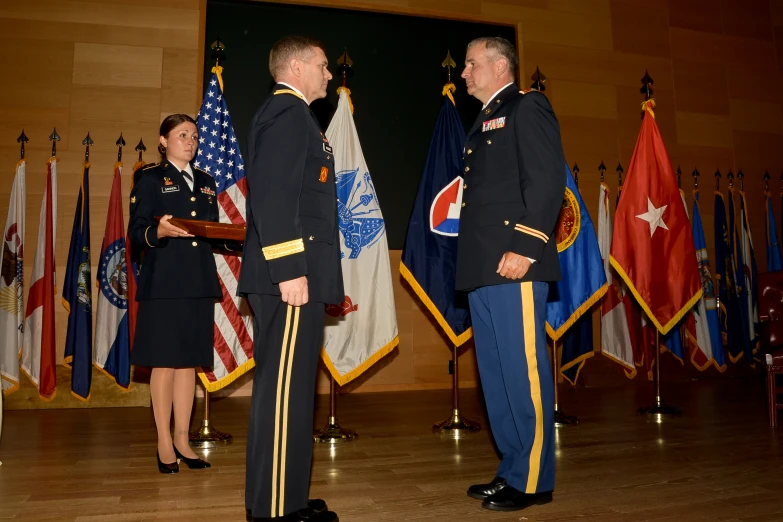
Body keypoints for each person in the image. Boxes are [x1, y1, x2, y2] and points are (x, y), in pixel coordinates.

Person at [456, 37, 566, 511]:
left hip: (514, 261)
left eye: (471, 64)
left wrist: (525, 246)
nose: (464, 72)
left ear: (501, 66)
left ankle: (535, 478)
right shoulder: (482, 120)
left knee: (524, 373)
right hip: (484, 264)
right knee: (496, 376)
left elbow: (546, 180)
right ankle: (512, 468)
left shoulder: (528, 107)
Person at [238, 36, 343, 522]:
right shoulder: (286, 114)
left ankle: (287, 497)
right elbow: (274, 198)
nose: (329, 74)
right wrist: (290, 270)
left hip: (296, 275)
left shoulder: (295, 116)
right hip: (290, 277)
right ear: (297, 67)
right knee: (283, 393)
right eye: (323, 66)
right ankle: (275, 510)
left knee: (295, 392)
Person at [128, 114, 218, 474]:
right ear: (163, 141)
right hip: (164, 282)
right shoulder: (149, 179)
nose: (190, 141)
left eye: (194, 136)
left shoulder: (208, 183)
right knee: (164, 363)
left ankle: (183, 438)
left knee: (188, 364)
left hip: (198, 281)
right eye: (182, 135)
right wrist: (159, 232)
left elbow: (211, 229)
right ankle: (164, 442)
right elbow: (137, 231)